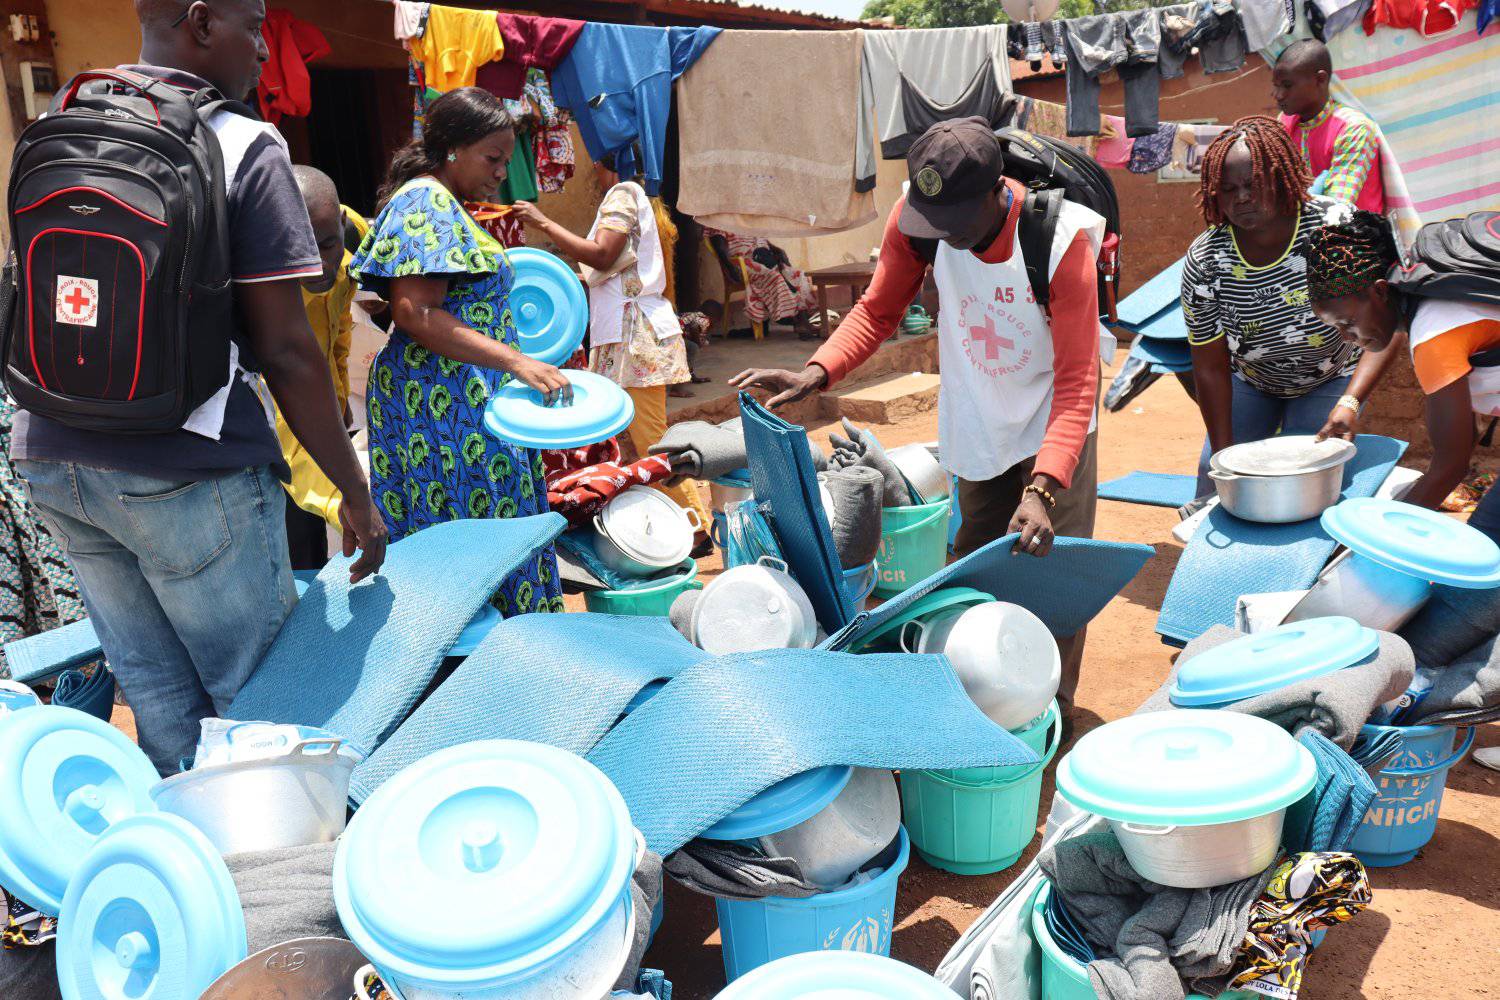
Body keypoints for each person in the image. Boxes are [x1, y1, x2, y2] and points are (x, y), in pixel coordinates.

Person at [11, 0, 387, 775]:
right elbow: (286, 348)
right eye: (253, 27)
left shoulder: (69, 111)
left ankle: (195, 878)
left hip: (52, 455)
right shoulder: (245, 143)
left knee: (154, 690)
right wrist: (353, 489)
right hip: (186, 467)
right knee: (263, 709)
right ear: (199, 23)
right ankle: (272, 888)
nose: (262, 48)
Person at [729, 117, 1104, 726]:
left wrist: (1043, 486)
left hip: (1054, 425)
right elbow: (879, 310)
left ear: (995, 192)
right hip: (980, 420)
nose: (943, 238)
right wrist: (818, 372)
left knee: (1049, 576)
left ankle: (1046, 717)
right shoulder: (923, 216)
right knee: (974, 562)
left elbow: (1078, 382)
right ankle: (979, 698)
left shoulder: (1060, 245)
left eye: (955, 224)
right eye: (933, 224)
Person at [350, 87, 567, 615]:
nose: (500, 173)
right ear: (451, 148)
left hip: (460, 402)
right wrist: (516, 360)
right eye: (492, 159)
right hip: (440, 411)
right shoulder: (426, 200)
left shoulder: (445, 203)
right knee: (471, 531)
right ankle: (481, 663)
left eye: (505, 160)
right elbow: (414, 312)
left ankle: (500, 657)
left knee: (487, 524)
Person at [1182, 116, 1401, 494]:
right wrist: (1222, 456)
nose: (1242, 198)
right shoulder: (1206, 260)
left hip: (1331, 377)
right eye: (1228, 189)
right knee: (1214, 482)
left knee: (1314, 479)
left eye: (1253, 185)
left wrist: (1350, 401)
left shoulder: (1336, 227)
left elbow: (1394, 320)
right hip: (1251, 382)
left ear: (1281, 178)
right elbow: (1211, 367)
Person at [511, 157, 711, 534]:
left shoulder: (622, 194)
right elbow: (608, 270)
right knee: (638, 438)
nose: (594, 171)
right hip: (628, 336)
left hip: (637, 339)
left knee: (652, 438)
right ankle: (673, 521)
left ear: (609, 162)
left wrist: (543, 223)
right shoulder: (636, 198)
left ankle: (696, 527)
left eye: (598, 164)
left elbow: (601, 254)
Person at [1307, 210, 1500, 525]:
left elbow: (1451, 467)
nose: (1348, 338)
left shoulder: (1433, 335)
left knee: (1487, 538)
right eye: (1336, 328)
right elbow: (1464, 437)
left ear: (1381, 291)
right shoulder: (1432, 292)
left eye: (1349, 323)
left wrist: (1381, 533)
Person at [277, 166, 356, 570]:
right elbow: (286, 414)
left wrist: (341, 394)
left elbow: (341, 324)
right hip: (279, 440)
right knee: (298, 553)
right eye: (302, 249)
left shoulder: (354, 234)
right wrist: (341, 499)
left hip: (327, 413)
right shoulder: (269, 289)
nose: (319, 264)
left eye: (328, 244)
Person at [1272, 40, 1385, 213]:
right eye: (1276, 86)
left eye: (1287, 85)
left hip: (1355, 235)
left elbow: (1336, 207)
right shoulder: (1284, 124)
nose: (1278, 95)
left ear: (1320, 79)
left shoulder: (1353, 129)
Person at [706, 229, 820, 339]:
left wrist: (777, 250)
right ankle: (798, 320)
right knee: (774, 277)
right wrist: (730, 267)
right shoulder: (720, 222)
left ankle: (801, 318)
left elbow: (762, 241)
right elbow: (719, 247)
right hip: (745, 263)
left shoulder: (746, 220)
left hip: (767, 260)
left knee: (798, 274)